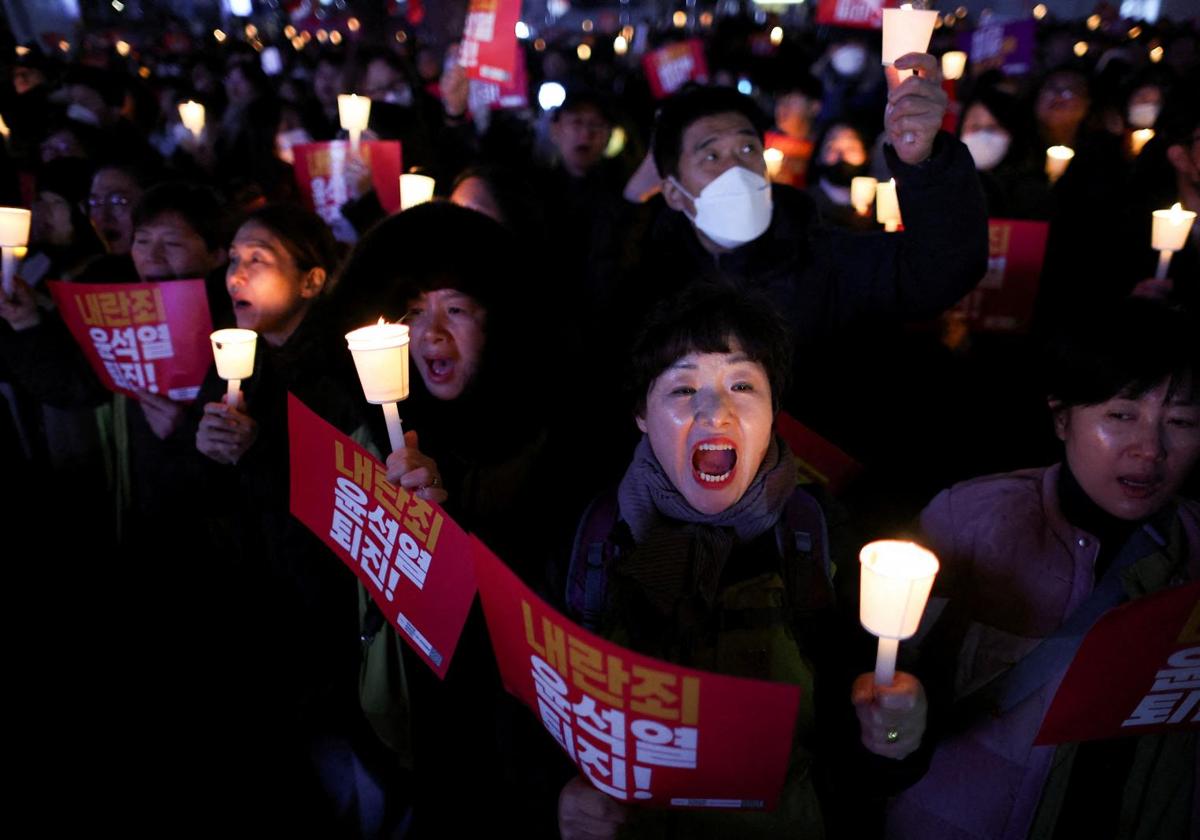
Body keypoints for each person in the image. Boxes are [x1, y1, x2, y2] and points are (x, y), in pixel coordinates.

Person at [559, 286, 929, 839]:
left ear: (774, 409)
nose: (715, 410)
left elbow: (865, 772)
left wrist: (898, 738)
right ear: (641, 414)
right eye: (683, 387)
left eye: (742, 384)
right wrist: (562, 800)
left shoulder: (825, 541)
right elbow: (529, 724)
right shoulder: (588, 539)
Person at [887, 296, 1200, 840]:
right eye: (1121, 416)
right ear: (1062, 418)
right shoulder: (971, 522)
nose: (1150, 449)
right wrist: (889, 732)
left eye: (1180, 422)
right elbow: (887, 703)